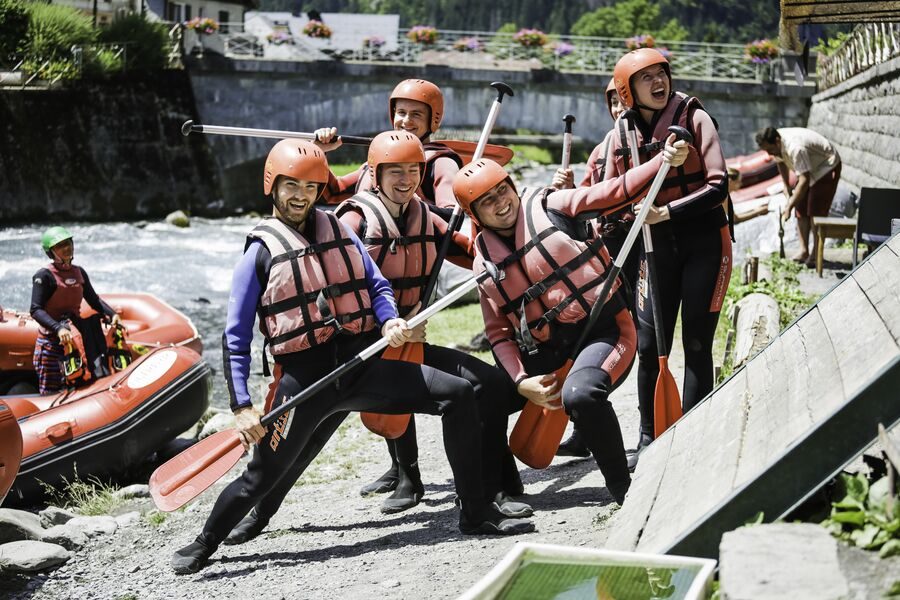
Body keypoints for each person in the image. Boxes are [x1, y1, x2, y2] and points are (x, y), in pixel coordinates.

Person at [171, 138, 532, 575]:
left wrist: (387, 321)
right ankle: (204, 543)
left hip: (362, 366)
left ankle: (475, 512)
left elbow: (377, 285)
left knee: (457, 394)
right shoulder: (259, 251)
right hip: (305, 382)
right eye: (292, 185)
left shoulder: (336, 227)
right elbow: (235, 335)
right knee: (261, 477)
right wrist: (243, 406)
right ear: (273, 185)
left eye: (310, 185)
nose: (301, 195)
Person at [451, 134, 689, 506]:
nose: (501, 204)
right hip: (547, 349)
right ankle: (502, 491)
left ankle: (624, 491)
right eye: (487, 201)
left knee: (581, 395)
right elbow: (498, 333)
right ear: (474, 215)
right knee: (482, 395)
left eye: (502, 192)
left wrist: (662, 161)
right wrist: (521, 381)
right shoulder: (485, 264)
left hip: (605, 330)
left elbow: (611, 193)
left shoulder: (552, 206)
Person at [316, 79, 478, 507]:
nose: (406, 120)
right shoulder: (377, 162)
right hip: (371, 288)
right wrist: (322, 155)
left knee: (401, 372)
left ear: (433, 121)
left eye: (416, 114)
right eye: (400, 112)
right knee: (383, 377)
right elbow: (332, 192)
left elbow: (450, 205)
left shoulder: (439, 162)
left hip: (412, 286)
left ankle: (411, 478)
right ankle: (397, 466)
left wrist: (431, 202)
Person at [604, 48, 733, 470]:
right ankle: (647, 436)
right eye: (647, 78)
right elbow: (610, 195)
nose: (659, 82)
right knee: (647, 347)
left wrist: (667, 212)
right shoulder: (618, 136)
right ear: (627, 92)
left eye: (662, 74)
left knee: (695, 343)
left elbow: (718, 186)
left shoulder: (695, 119)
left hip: (703, 243)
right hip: (654, 248)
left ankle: (694, 433)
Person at [550, 78, 636, 459]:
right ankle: (586, 426)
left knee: (635, 338)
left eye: (624, 102)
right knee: (589, 335)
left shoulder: (646, 143)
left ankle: (647, 427)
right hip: (605, 252)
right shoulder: (601, 150)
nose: (619, 110)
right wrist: (566, 188)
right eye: (613, 104)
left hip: (641, 247)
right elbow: (583, 199)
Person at [30, 227, 120, 395]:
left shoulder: (79, 272)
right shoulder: (44, 276)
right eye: (60, 245)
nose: (67, 248)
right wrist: (58, 328)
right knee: (52, 393)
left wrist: (112, 314)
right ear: (51, 252)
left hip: (75, 341)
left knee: (79, 386)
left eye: (68, 243)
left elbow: (93, 300)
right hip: (52, 344)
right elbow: (35, 309)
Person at [755, 126, 842, 265]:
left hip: (826, 165)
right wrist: (786, 185)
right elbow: (781, 162)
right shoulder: (777, 145)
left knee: (816, 211)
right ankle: (803, 250)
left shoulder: (796, 147)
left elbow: (804, 180)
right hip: (809, 168)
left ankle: (815, 255)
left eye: (770, 150)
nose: (769, 154)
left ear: (777, 141)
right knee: (800, 207)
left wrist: (788, 207)